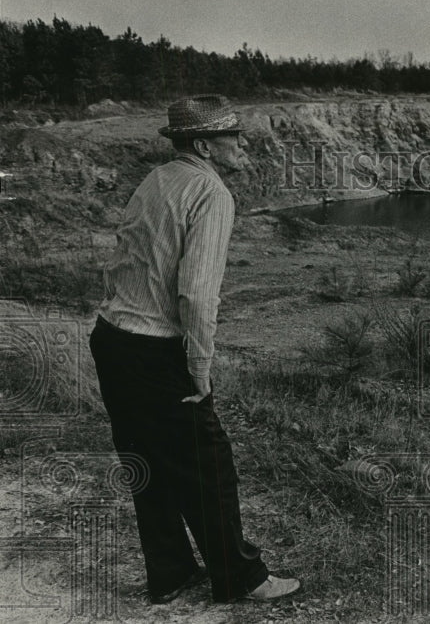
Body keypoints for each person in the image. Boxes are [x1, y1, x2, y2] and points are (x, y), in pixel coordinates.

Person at [89, 94, 300, 604]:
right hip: (154, 348)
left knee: (147, 465)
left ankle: (170, 572)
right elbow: (197, 292)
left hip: (112, 338)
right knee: (209, 467)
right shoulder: (210, 192)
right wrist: (199, 369)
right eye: (230, 136)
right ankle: (242, 579)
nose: (239, 143)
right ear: (205, 144)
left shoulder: (155, 179)